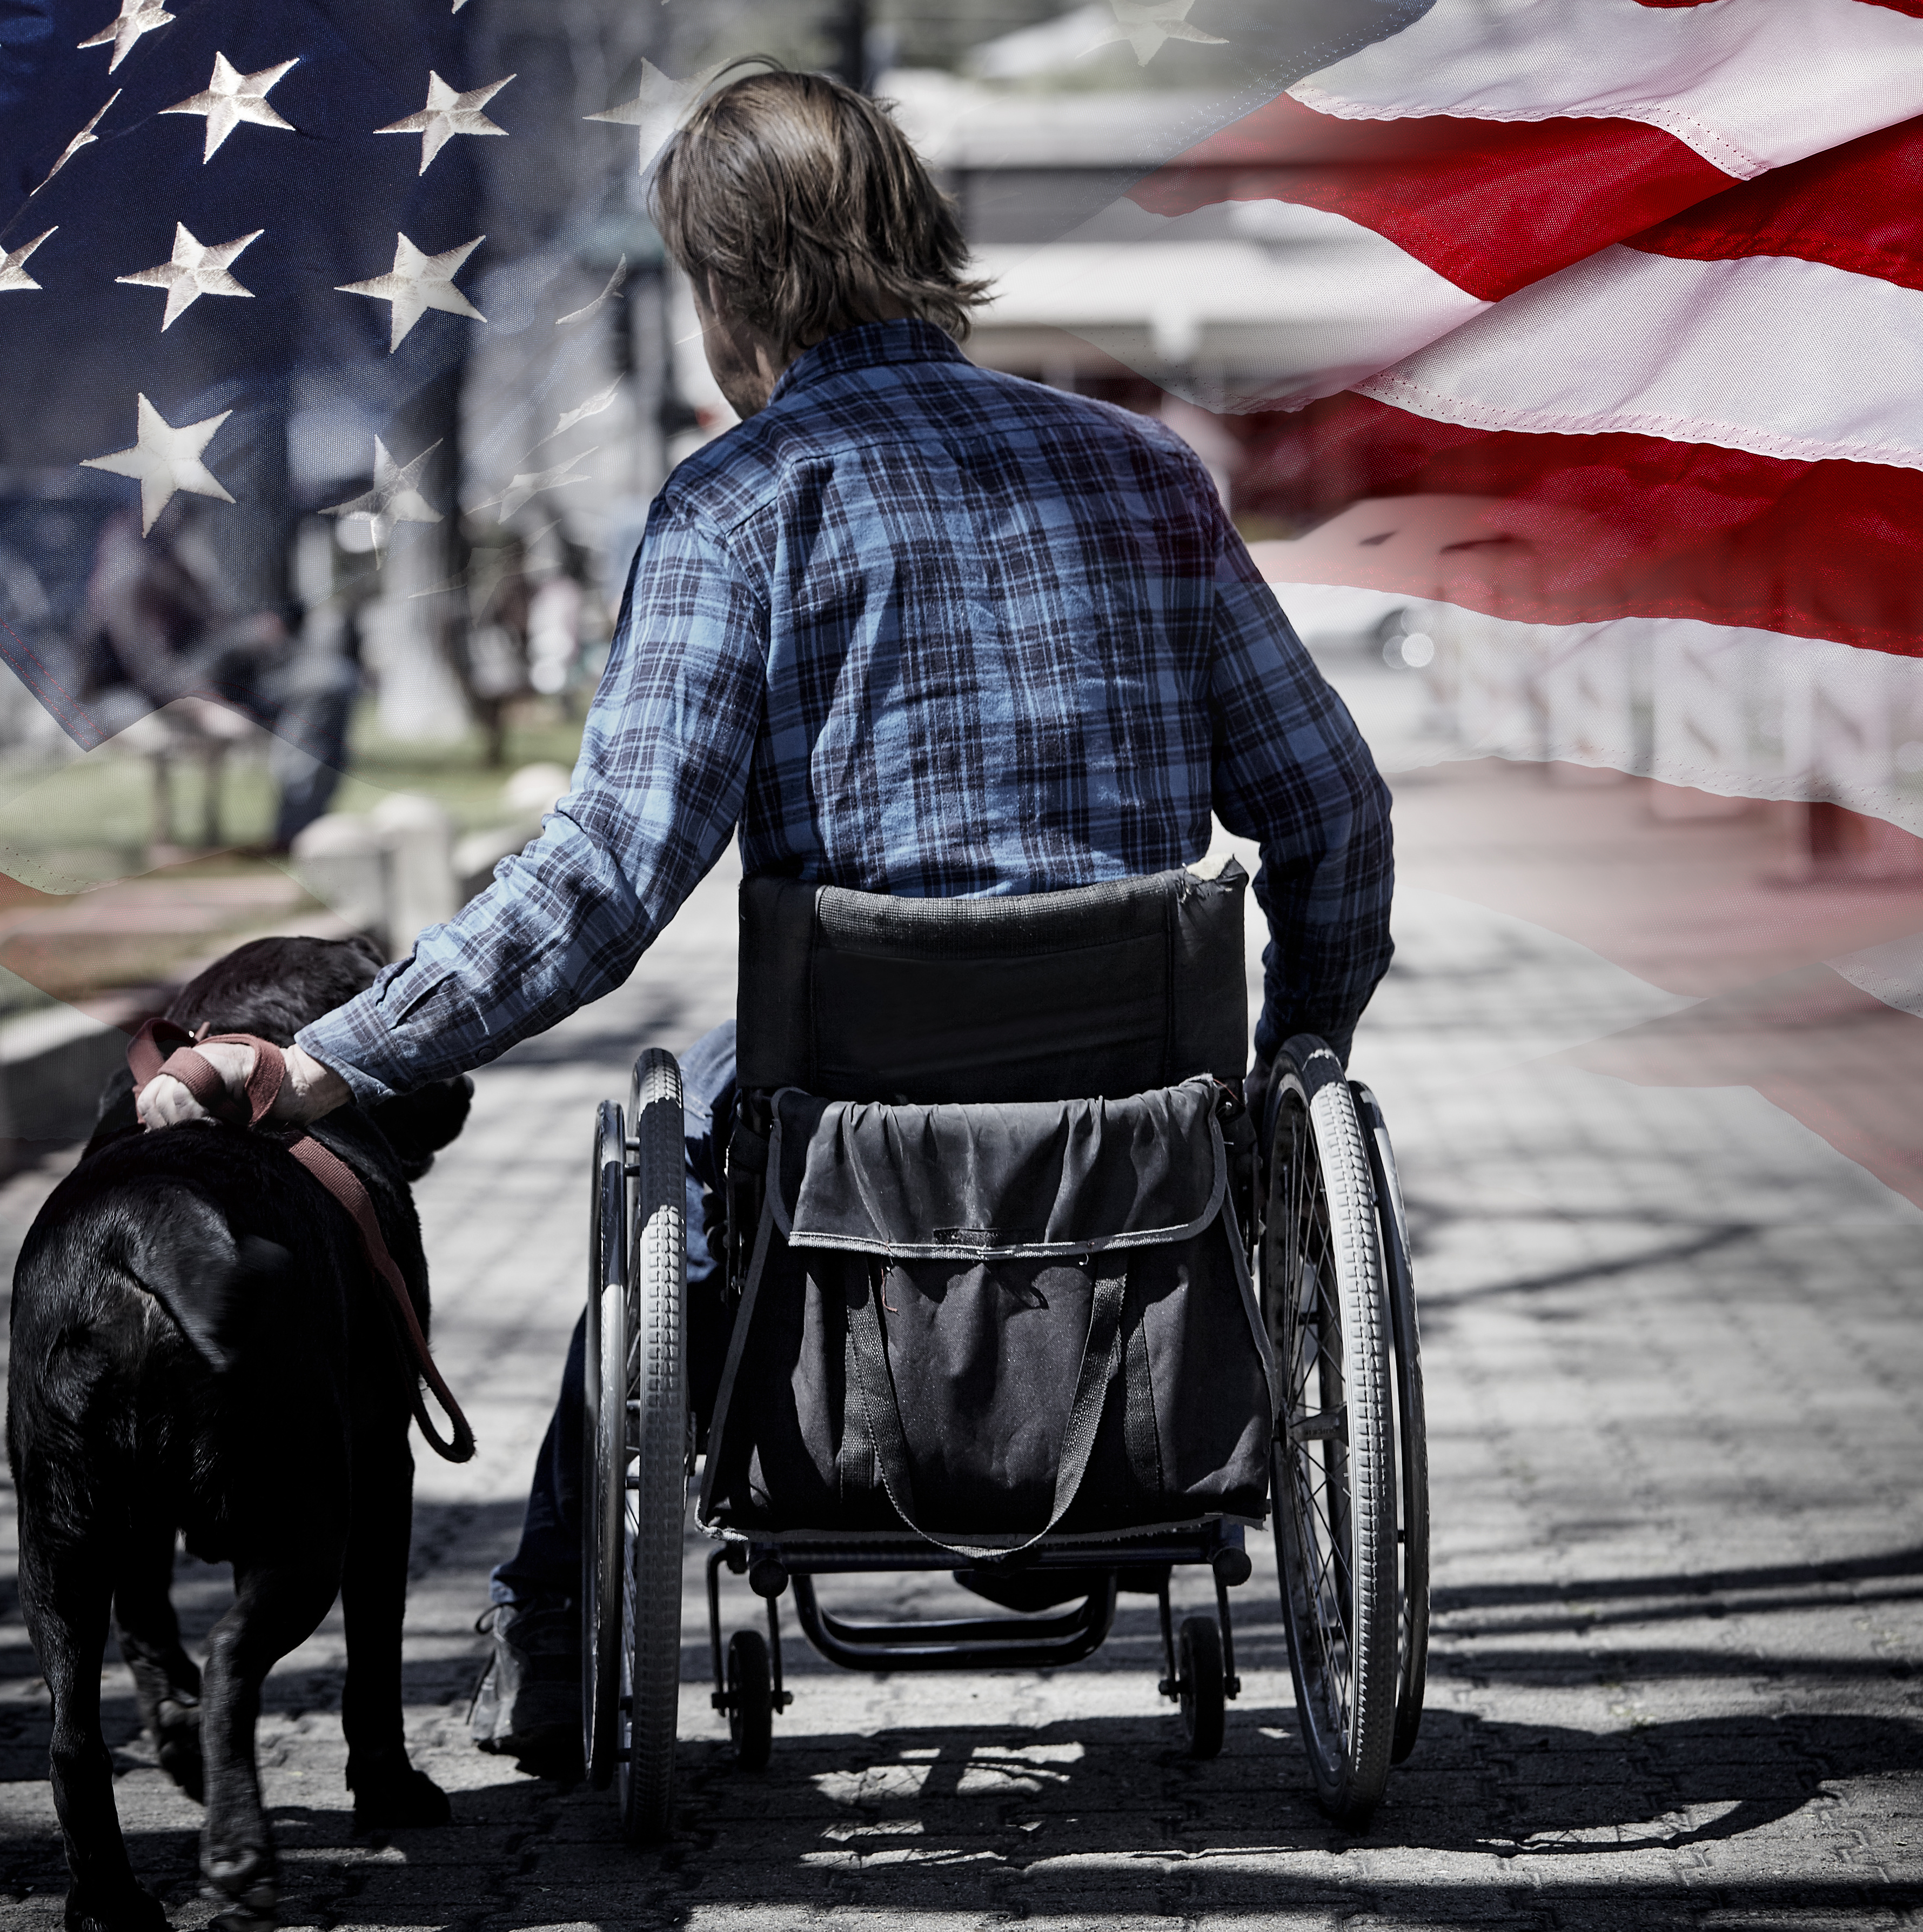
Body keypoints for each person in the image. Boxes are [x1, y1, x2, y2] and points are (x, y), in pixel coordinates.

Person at [137, 66, 1395, 1771]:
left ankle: (558, 1634)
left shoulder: (740, 508)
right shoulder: (1144, 475)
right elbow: (1329, 813)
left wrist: (335, 1062)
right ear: (916, 236)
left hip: (841, 1118)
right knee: (757, 1100)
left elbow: (602, 880)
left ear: (727, 289)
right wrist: (1293, 1060)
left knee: (663, 1176)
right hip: (1149, 1105)